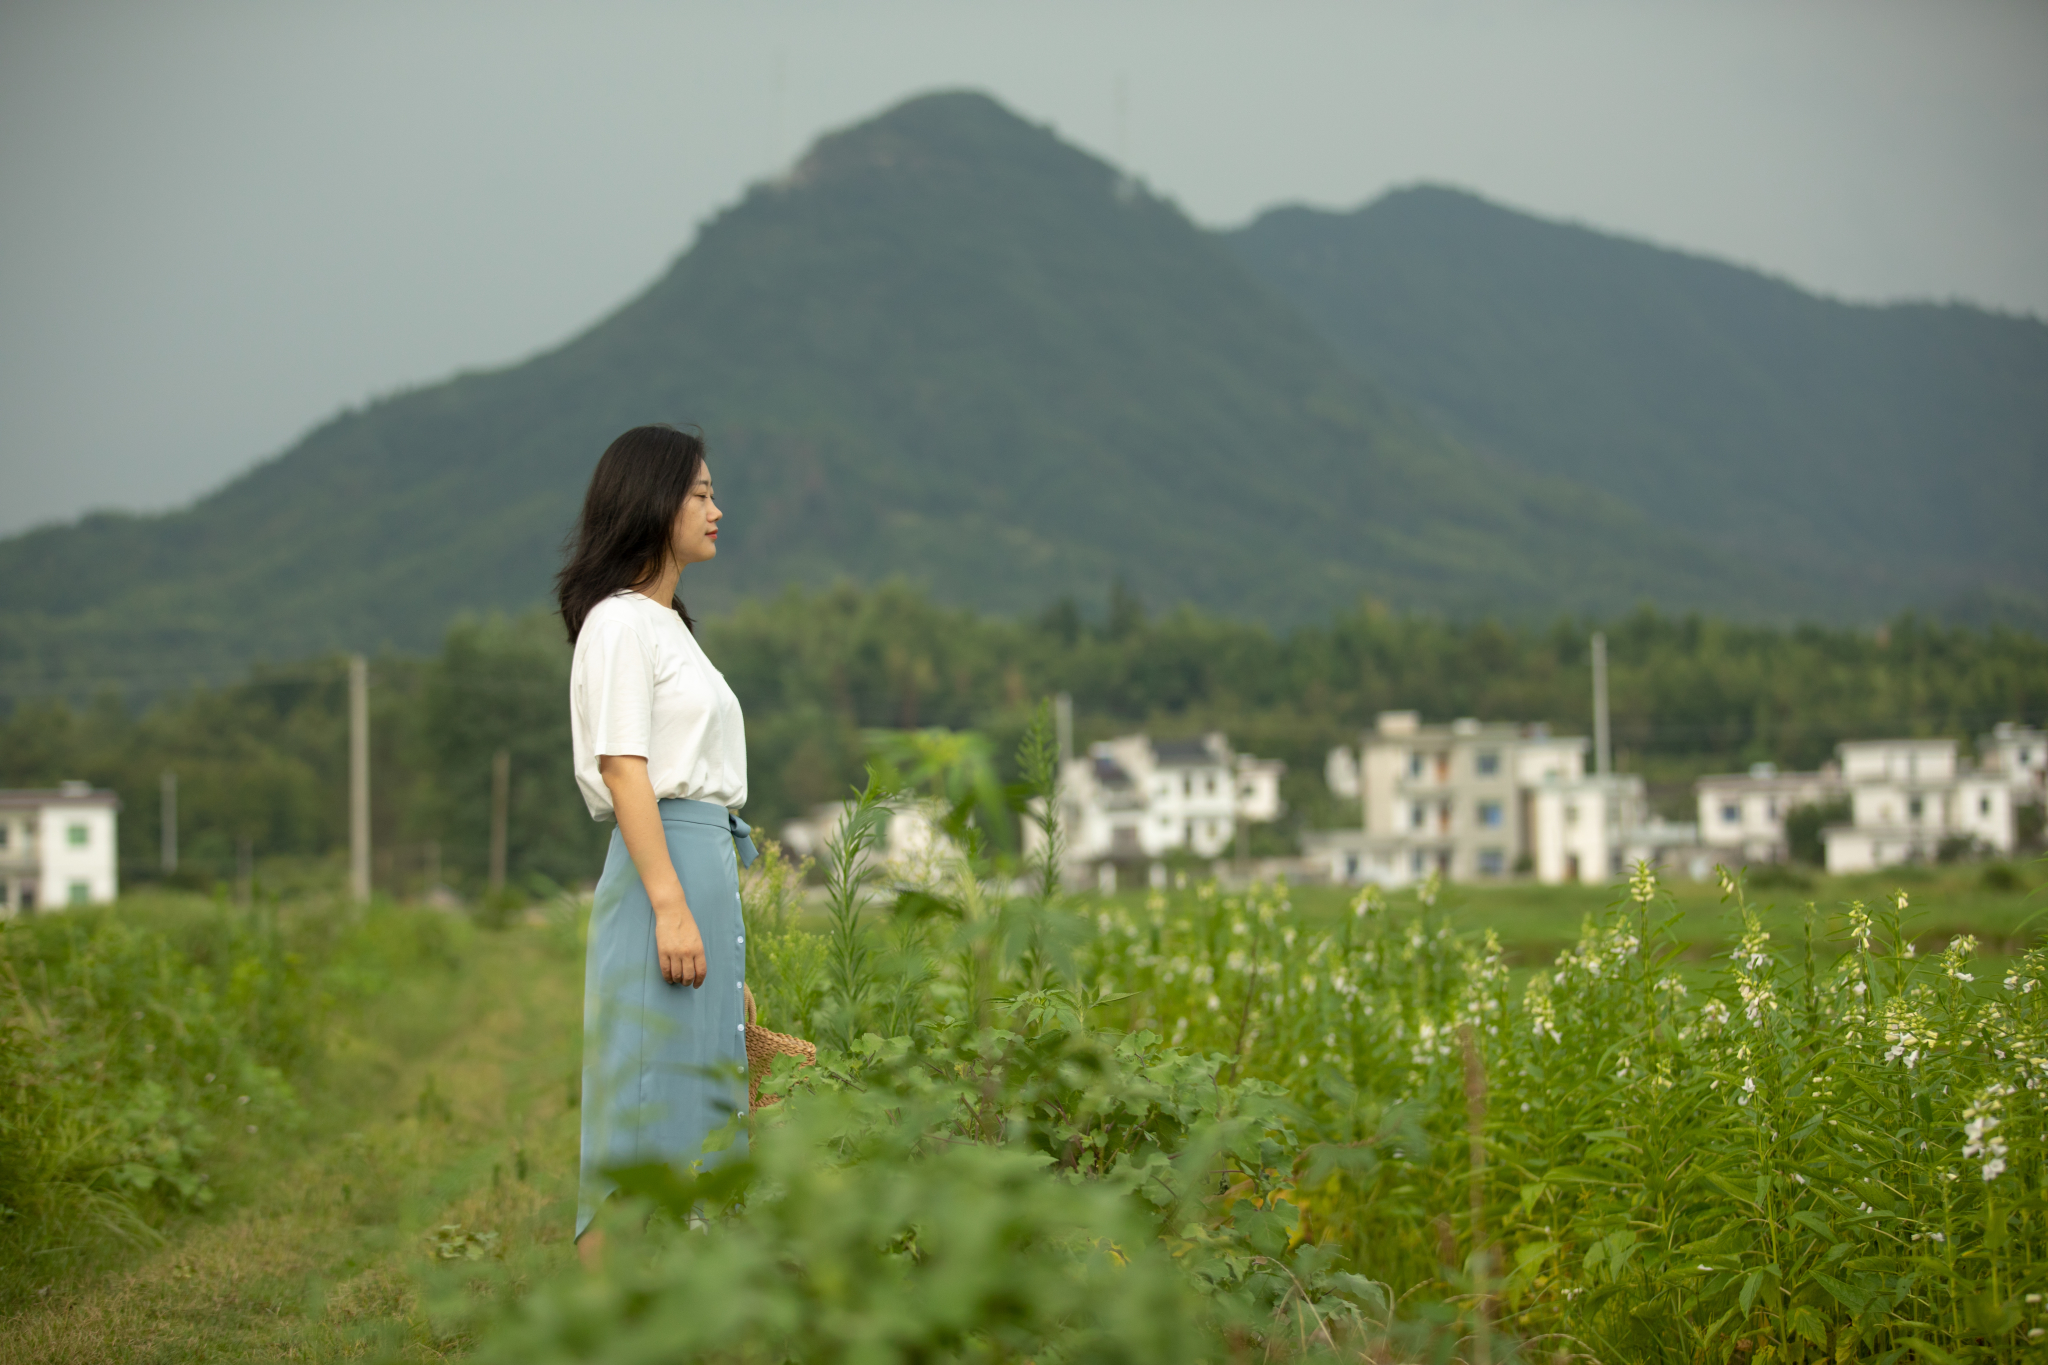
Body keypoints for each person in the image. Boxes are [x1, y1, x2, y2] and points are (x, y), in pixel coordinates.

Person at [555, 424, 755, 1267]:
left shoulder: (675, 629)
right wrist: (670, 907)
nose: (717, 507)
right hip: (660, 875)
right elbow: (624, 768)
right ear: (652, 501)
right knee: (635, 1115)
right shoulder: (619, 624)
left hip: (700, 871)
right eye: (701, 492)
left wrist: (731, 961)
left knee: (698, 1114)